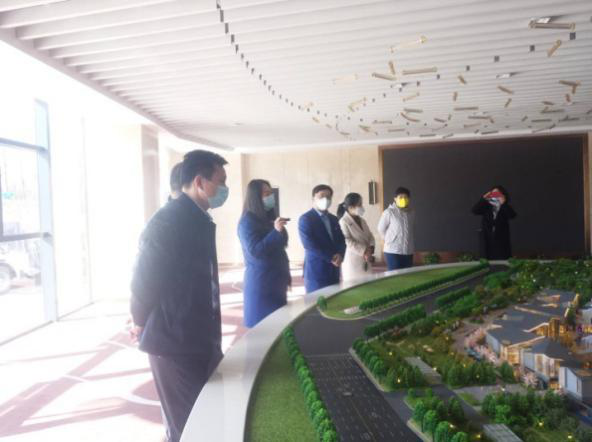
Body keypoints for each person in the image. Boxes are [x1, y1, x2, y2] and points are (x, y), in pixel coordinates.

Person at [130, 149, 228, 442]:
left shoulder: (197, 218)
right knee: (186, 424)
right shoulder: (168, 221)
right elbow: (144, 280)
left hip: (197, 338)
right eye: (220, 181)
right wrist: (139, 321)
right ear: (199, 182)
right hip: (174, 343)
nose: (224, 189)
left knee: (202, 416)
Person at [238, 179, 291, 328]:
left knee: (278, 327)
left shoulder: (268, 218)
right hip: (262, 284)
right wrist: (276, 231)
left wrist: (280, 230)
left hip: (276, 282)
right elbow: (256, 251)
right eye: (266, 194)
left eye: (270, 193)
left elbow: (280, 245)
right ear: (255, 197)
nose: (270, 197)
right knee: (263, 330)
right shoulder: (247, 222)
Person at [298, 184, 346, 293]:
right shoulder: (306, 219)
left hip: (334, 270)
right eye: (321, 196)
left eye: (328, 197)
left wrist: (341, 254)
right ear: (313, 198)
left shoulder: (334, 219)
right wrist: (331, 258)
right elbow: (309, 245)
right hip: (316, 271)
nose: (325, 199)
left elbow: (341, 240)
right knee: (317, 301)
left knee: (334, 299)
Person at [337, 193, 375, 281]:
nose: (362, 207)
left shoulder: (362, 220)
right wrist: (364, 251)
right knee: (354, 285)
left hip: (367, 258)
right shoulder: (343, 221)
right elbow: (347, 241)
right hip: (353, 260)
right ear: (351, 207)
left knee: (368, 283)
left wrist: (371, 247)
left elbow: (370, 235)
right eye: (359, 205)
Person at [472, 185, 517, 259]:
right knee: (486, 259)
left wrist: (503, 203)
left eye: (498, 194)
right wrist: (484, 198)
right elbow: (475, 210)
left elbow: (512, 215)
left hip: (501, 241)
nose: (495, 196)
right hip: (487, 240)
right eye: (493, 194)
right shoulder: (486, 206)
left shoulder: (504, 207)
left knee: (501, 259)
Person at [378, 186, 415, 270]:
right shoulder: (389, 212)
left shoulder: (411, 213)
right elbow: (380, 229)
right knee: (394, 275)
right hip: (392, 251)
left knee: (408, 274)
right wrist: (389, 240)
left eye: (405, 197)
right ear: (395, 199)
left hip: (408, 251)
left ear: (409, 199)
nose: (403, 199)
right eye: (400, 197)